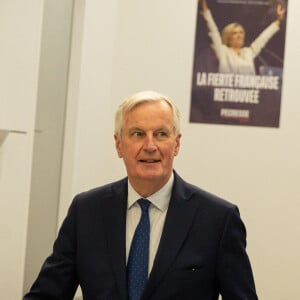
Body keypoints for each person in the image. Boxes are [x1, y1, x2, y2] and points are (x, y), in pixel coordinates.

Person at [23, 90, 258, 299]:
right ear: (118, 145)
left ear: (176, 144)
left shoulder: (218, 219)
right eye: (137, 134)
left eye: (161, 134)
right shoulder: (86, 211)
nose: (150, 145)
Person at [199, 0, 286, 74]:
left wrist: (279, 19)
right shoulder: (223, 52)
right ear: (228, 38)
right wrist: (203, 5)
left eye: (241, 32)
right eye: (235, 33)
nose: (239, 35)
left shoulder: (248, 52)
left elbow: (264, 37)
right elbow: (212, 30)